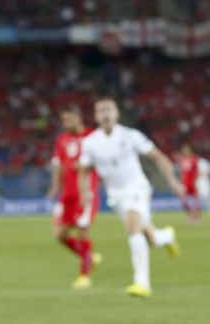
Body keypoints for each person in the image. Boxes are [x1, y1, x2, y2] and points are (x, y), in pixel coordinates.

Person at [79, 97, 184, 298]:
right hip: (116, 195)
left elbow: (158, 156)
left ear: (116, 113)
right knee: (149, 238)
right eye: (101, 111)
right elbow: (83, 171)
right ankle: (167, 236)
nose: (105, 114)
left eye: (109, 109)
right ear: (95, 116)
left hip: (137, 187)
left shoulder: (130, 135)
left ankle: (142, 283)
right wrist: (86, 192)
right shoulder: (90, 143)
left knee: (132, 227)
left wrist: (172, 181)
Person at [47, 105, 100, 289]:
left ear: (79, 118)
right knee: (59, 235)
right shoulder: (62, 139)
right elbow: (58, 165)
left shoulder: (92, 137)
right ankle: (89, 257)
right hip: (67, 194)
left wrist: (86, 166)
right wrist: (55, 187)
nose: (66, 123)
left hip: (85, 192)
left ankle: (84, 276)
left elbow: (101, 160)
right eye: (64, 121)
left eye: (69, 119)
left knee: (82, 230)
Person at [178, 143, 201, 220]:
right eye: (184, 151)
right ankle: (190, 214)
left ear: (190, 151)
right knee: (183, 200)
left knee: (195, 201)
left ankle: (196, 216)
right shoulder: (183, 160)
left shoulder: (194, 159)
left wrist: (195, 181)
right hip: (185, 183)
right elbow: (182, 173)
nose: (185, 152)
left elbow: (197, 171)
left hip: (192, 183)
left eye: (186, 150)